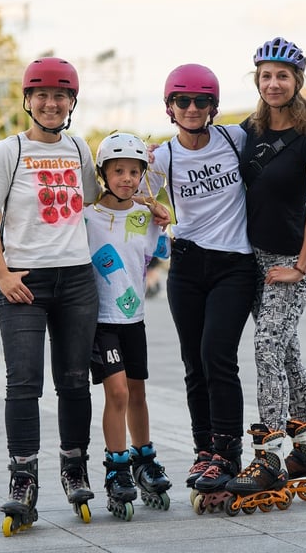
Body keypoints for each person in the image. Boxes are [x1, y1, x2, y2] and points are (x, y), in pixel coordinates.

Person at [0, 56, 101, 532]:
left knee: (74, 381)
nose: (52, 103)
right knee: (24, 382)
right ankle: (23, 479)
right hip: (24, 281)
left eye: (61, 96)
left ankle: (74, 467)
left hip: (77, 279)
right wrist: (2, 274)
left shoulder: (78, 147)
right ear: (28, 100)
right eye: (42, 95)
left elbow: (94, 200)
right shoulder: (9, 151)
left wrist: (145, 203)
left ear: (72, 102)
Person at [227, 37, 306, 499]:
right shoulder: (248, 131)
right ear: (257, 80)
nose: (273, 83)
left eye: (283, 76)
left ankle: (270, 453)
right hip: (252, 258)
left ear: (297, 81)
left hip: (290, 260)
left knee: (267, 345)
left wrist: (300, 266)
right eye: (266, 76)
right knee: (286, 348)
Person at [147, 63, 254, 499]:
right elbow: (124, 189)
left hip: (235, 264)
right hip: (187, 266)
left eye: (201, 101)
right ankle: (204, 449)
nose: (192, 108)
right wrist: (152, 206)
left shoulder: (235, 138)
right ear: (169, 107)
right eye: (183, 101)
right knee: (194, 361)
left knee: (217, 355)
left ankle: (228, 451)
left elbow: (284, 152)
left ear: (214, 106)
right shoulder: (162, 157)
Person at [86, 132, 172, 517]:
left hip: (134, 318)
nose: (126, 178)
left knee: (138, 392)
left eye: (134, 172)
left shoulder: (145, 216)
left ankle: (144, 459)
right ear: (103, 173)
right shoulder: (88, 217)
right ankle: (117, 467)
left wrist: (162, 218)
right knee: (118, 393)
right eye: (118, 170)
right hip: (101, 320)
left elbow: (161, 250)